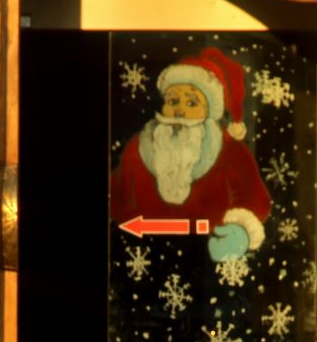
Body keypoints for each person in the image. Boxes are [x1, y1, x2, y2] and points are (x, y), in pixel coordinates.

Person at [110, 46, 270, 261]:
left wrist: (239, 233)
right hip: (144, 258)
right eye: (173, 101)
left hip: (208, 262)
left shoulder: (230, 149)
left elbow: (254, 199)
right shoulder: (140, 146)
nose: (180, 110)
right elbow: (117, 196)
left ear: (209, 110)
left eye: (192, 102)